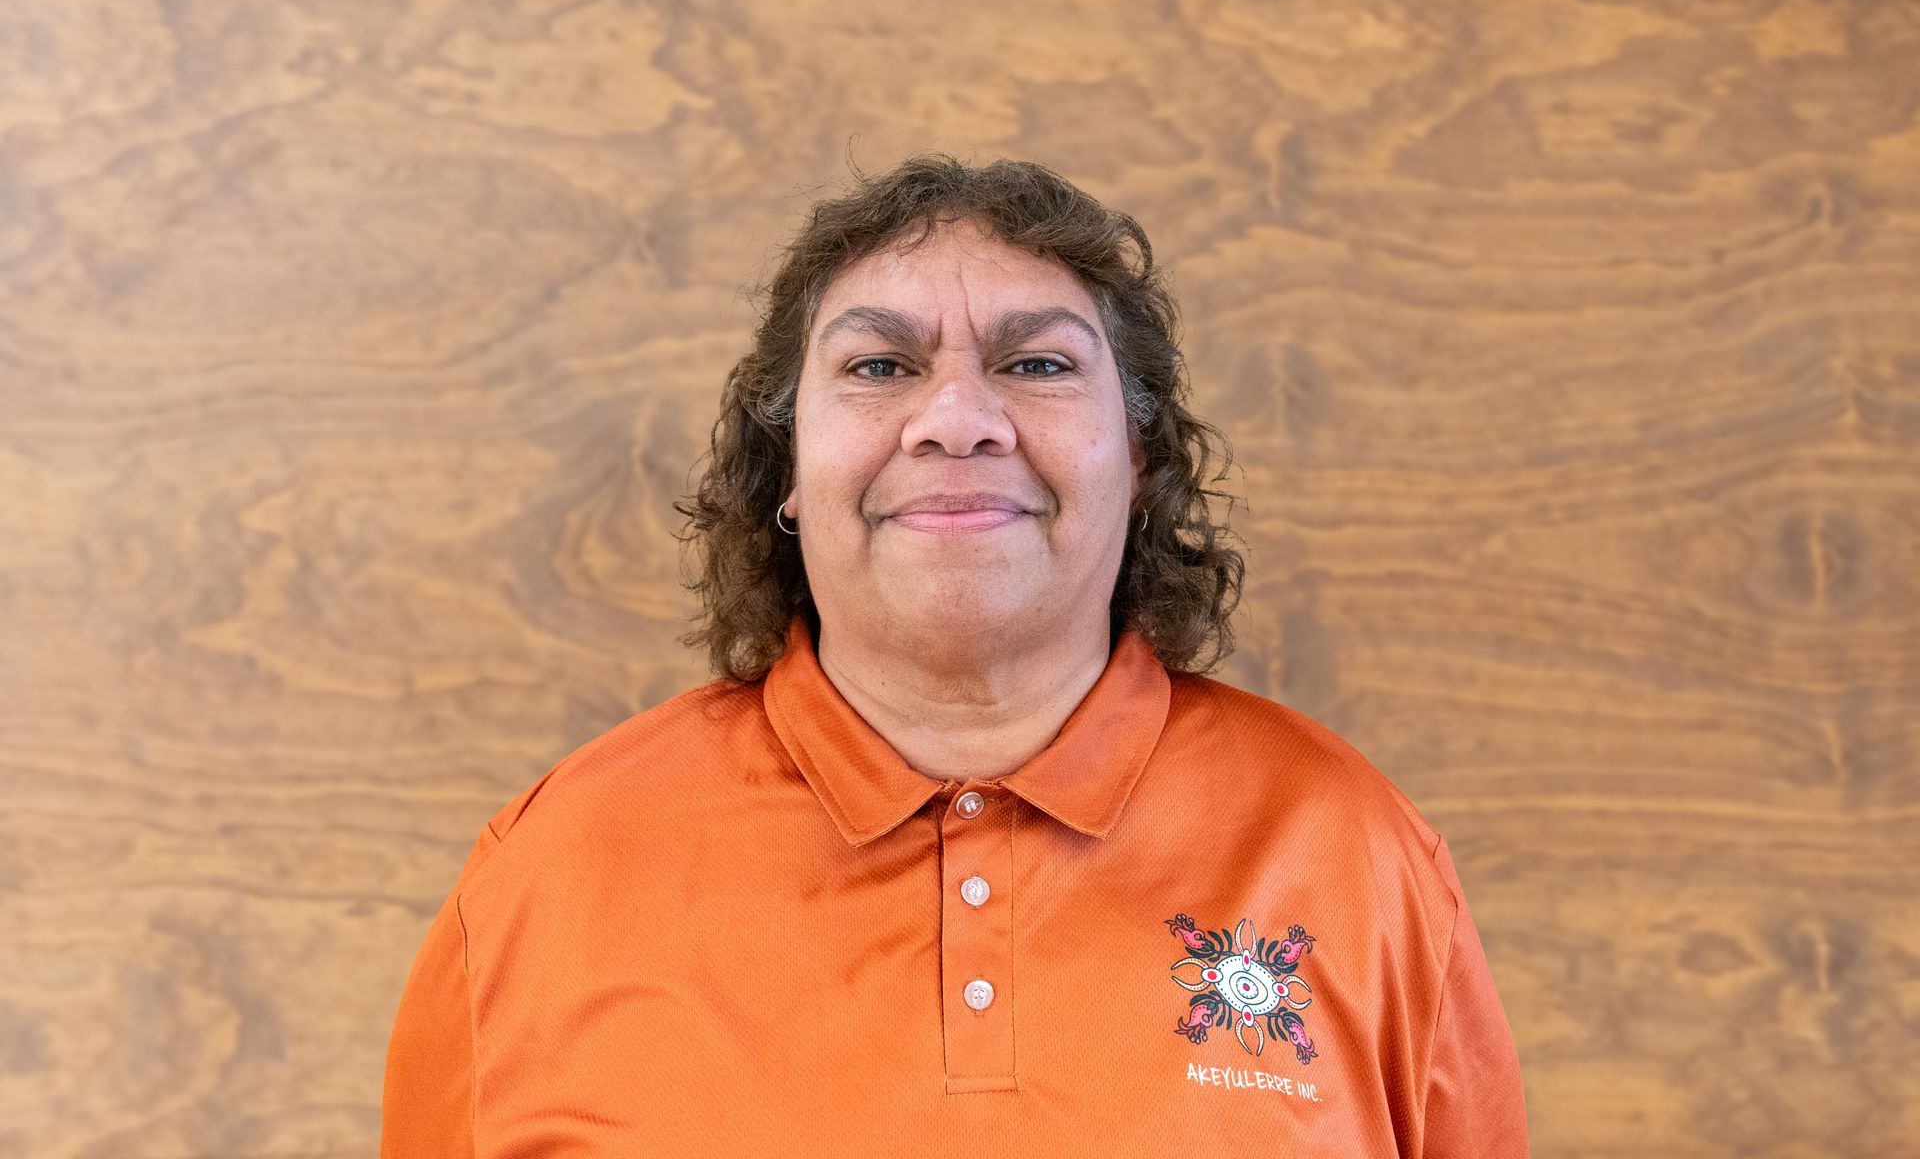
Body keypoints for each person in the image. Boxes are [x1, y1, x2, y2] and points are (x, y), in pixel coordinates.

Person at [379, 152, 1530, 1156]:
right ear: (788, 465)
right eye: (880, 366)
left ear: (1139, 458)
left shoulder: (1355, 854)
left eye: (1038, 364)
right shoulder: (550, 872)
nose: (958, 418)